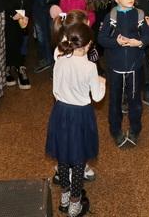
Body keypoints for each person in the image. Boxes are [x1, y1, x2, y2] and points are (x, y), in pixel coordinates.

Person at [45, 21, 105, 217]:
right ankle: (74, 204)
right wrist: (102, 83)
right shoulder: (89, 67)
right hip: (80, 115)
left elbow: (55, 91)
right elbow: (97, 97)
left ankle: (64, 197)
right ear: (88, 45)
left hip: (61, 113)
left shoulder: (60, 60)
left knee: (63, 157)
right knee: (79, 160)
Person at [97, 0, 149, 148]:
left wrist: (139, 42)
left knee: (135, 101)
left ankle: (135, 129)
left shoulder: (139, 14)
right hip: (115, 67)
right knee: (115, 101)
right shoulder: (111, 17)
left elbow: (147, 35)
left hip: (134, 66)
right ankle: (116, 130)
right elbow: (101, 39)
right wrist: (116, 42)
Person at [4, 0, 33, 90]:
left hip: (25, 13)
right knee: (10, 40)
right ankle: (8, 67)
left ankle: (21, 67)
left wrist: (27, 13)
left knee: (23, 40)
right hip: (10, 13)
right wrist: (11, 12)